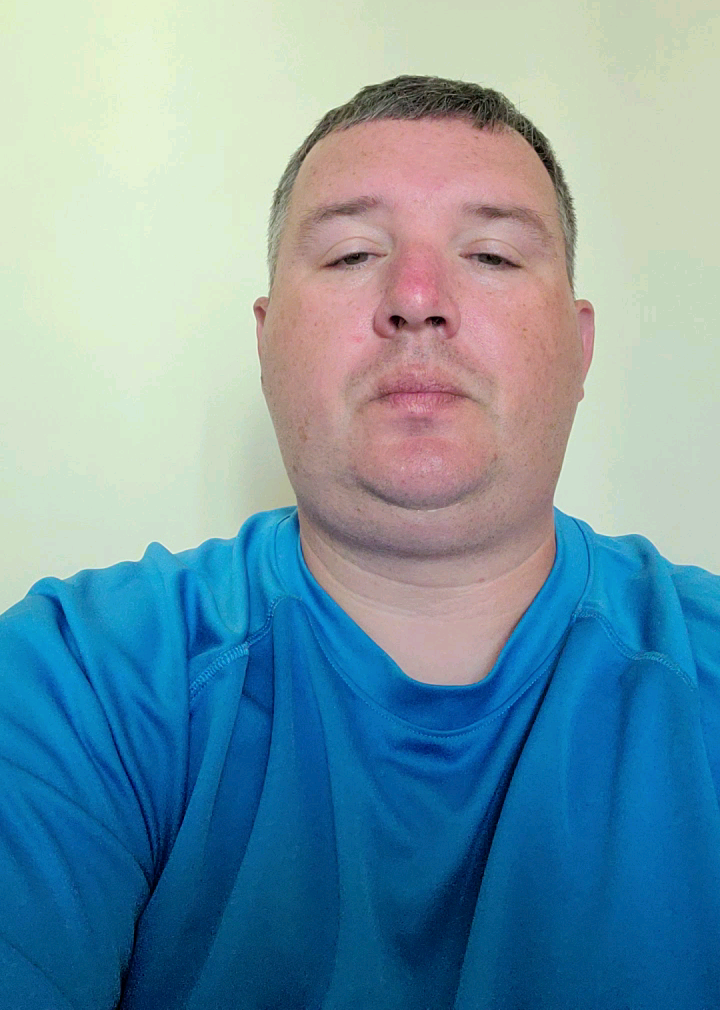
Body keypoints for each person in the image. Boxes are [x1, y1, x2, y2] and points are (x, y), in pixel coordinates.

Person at [1, 75, 719, 1010]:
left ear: (580, 348)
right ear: (266, 343)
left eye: (492, 254)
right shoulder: (76, 683)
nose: (416, 299)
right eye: (351, 254)